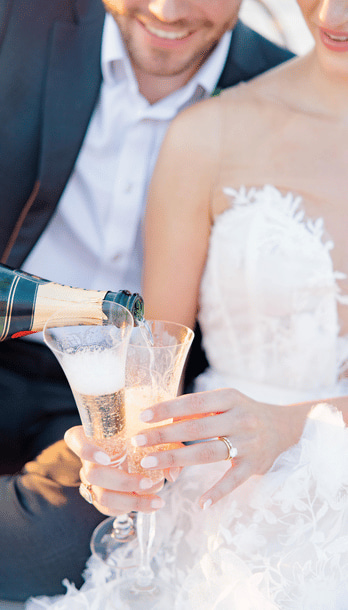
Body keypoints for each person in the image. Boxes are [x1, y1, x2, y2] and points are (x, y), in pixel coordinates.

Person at [0, 0, 294, 602]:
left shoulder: (278, 90)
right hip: (10, 337)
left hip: (116, 393)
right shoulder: (16, 20)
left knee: (58, 548)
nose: (167, 9)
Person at [62, 0, 348, 606]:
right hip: (222, 495)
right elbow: (152, 365)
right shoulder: (207, 132)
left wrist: (295, 424)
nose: (332, 14)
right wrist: (122, 459)